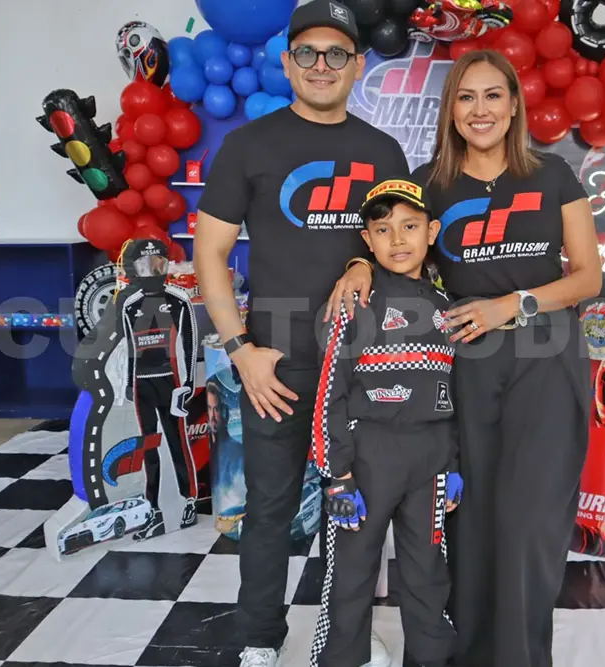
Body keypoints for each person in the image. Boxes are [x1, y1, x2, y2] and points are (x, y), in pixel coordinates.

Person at [340, 50, 602, 667]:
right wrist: (357, 263)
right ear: (451, 110)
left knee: (529, 524)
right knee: (469, 522)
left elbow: (588, 278)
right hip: (464, 369)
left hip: (546, 360)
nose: (479, 110)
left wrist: (512, 303)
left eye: (492, 95)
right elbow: (391, 239)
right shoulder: (430, 183)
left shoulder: (554, 175)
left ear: (513, 105)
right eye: (465, 97)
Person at [192, 1, 409, 665]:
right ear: (287, 64)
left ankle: (347, 632)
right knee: (269, 508)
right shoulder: (248, 146)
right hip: (276, 366)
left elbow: (402, 249)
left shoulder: (383, 152)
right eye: (308, 53)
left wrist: (361, 263)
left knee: (359, 507)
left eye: (336, 53)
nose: (321, 65)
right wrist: (240, 352)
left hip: (366, 362)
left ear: (357, 65)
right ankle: (260, 637)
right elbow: (209, 255)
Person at [311, 178, 463, 667]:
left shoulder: (446, 308)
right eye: (383, 229)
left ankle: (431, 657)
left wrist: (452, 464)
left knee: (428, 570)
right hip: (368, 457)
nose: (397, 240)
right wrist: (337, 475)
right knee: (351, 571)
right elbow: (329, 392)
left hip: (431, 460)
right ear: (367, 239)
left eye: (410, 226)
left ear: (431, 232)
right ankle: (341, 659)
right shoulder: (353, 301)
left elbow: (452, 393)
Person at [117, 238, 199, 539]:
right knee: (148, 447)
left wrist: (188, 383)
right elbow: (128, 348)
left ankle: (189, 500)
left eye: (158, 264)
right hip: (142, 385)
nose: (152, 271)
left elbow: (190, 344)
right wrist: (128, 383)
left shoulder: (179, 298)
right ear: (134, 269)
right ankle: (152, 507)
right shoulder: (129, 304)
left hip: (172, 381)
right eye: (145, 265)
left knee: (178, 443)